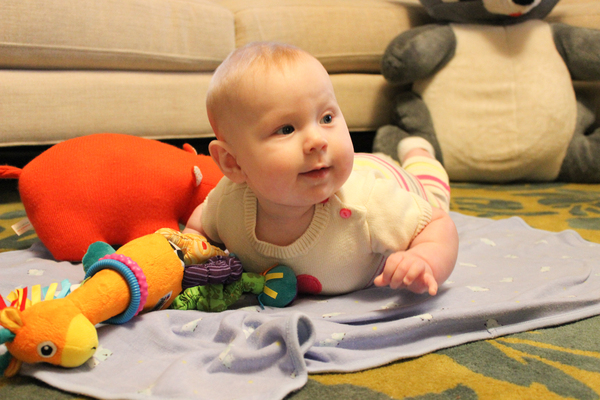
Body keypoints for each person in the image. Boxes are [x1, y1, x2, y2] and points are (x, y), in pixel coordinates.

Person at [184, 41, 459, 296]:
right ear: (233, 163)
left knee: (432, 188)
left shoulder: (368, 205)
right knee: (372, 159)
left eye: (327, 118)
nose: (318, 140)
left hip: (393, 180)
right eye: (286, 129)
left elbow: (437, 224)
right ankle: (390, 148)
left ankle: (418, 150)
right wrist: (191, 250)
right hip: (336, 167)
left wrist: (423, 259)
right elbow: (199, 225)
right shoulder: (229, 203)